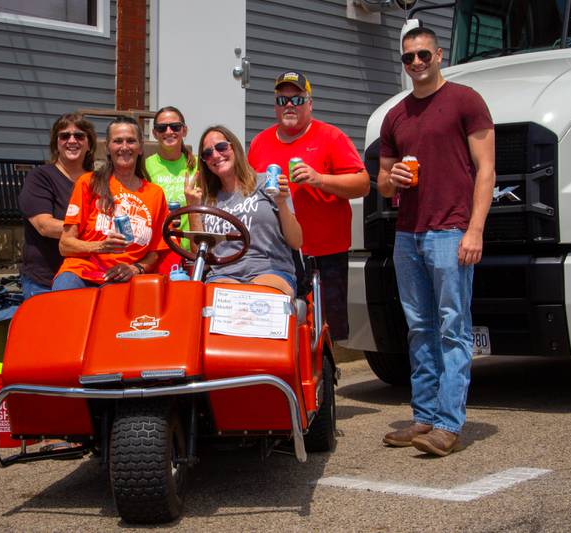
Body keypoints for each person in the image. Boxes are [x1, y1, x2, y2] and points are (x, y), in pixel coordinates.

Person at [378, 27, 495, 456]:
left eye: (423, 54)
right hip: (407, 234)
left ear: (439, 55)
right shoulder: (396, 115)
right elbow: (384, 185)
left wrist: (475, 229)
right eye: (408, 58)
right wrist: (394, 178)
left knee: (453, 327)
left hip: (451, 230)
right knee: (419, 328)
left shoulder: (466, 101)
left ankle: (448, 423)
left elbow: (486, 170)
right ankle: (424, 416)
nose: (416, 63)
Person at [248, 71, 369, 340]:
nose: (289, 105)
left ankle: (325, 379)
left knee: (327, 331)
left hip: (325, 254)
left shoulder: (331, 137)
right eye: (282, 100)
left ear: (309, 103)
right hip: (278, 254)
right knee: (283, 328)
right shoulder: (259, 143)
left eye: (297, 99)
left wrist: (319, 179)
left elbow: (362, 184)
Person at [52, 116, 170, 290]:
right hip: (81, 272)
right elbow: (65, 245)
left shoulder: (155, 194)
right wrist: (100, 246)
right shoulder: (88, 183)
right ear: (108, 147)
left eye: (131, 141)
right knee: (64, 302)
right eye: (117, 141)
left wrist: (135, 268)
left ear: (140, 148)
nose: (124, 147)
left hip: (124, 279)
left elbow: (154, 254)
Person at [185, 125, 302, 297]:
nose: (216, 155)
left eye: (221, 147)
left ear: (235, 147)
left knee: (256, 294)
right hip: (223, 274)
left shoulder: (265, 184)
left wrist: (282, 203)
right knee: (220, 298)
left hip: (270, 271)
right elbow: (201, 256)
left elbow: (296, 242)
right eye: (207, 153)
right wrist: (193, 208)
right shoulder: (206, 198)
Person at [18, 113, 97, 299]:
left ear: (89, 144)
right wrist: (96, 235)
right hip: (45, 279)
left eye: (79, 136)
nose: (72, 141)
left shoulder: (97, 182)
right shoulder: (40, 177)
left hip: (88, 275)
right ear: (56, 143)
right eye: (64, 136)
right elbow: (44, 226)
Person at [145, 106, 198, 272]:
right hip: (158, 252)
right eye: (162, 128)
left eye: (175, 127)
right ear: (154, 133)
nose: (169, 131)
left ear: (184, 130)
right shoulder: (145, 166)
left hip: (191, 251)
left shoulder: (199, 165)